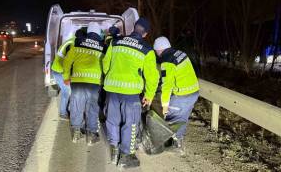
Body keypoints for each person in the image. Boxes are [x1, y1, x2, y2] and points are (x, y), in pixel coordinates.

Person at [102, 18, 159, 168]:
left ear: (134, 28)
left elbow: (105, 63)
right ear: (145, 34)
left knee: (112, 120)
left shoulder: (115, 42)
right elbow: (152, 77)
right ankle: (126, 155)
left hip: (112, 90)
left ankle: (114, 150)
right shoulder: (147, 50)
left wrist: (111, 75)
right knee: (130, 123)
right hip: (131, 93)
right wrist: (149, 95)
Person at [153, 36, 200, 156]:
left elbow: (166, 86)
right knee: (182, 118)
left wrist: (165, 105)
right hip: (193, 92)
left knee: (170, 118)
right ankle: (178, 143)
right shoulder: (180, 53)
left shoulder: (167, 62)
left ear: (158, 50)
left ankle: (173, 143)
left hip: (182, 95)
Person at [63, 22, 105, 145]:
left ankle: (76, 133)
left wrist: (66, 76)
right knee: (92, 108)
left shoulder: (77, 44)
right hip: (94, 83)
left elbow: (66, 62)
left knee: (76, 106)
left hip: (77, 81)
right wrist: (102, 80)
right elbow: (105, 65)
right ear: (98, 33)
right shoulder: (102, 47)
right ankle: (91, 136)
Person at [51, 29, 85, 120]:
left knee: (69, 91)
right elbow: (68, 62)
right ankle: (63, 113)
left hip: (59, 69)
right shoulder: (73, 44)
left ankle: (68, 110)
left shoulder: (70, 41)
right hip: (60, 71)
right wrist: (67, 77)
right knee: (67, 92)